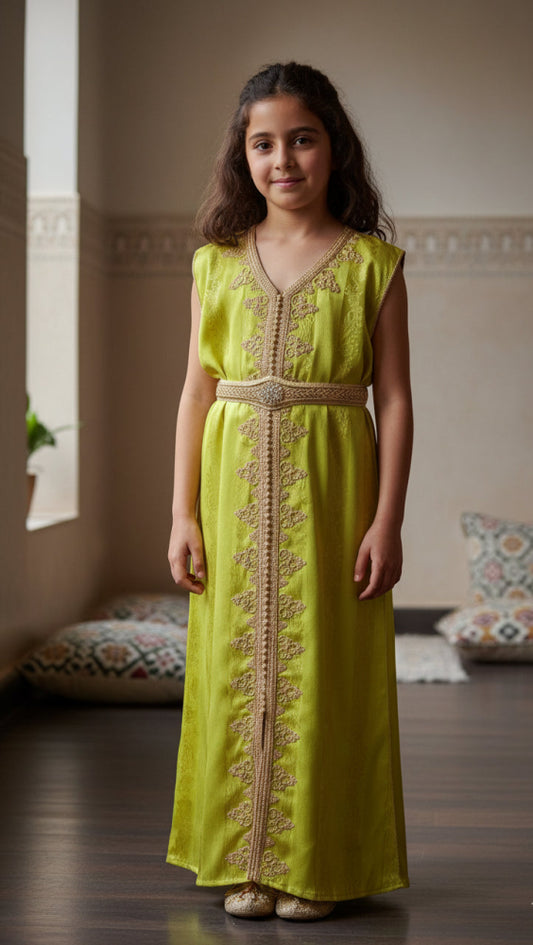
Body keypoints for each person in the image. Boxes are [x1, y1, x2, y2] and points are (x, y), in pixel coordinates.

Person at [167, 61, 413, 922]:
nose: (283, 159)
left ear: (332, 148)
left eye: (301, 139)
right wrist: (182, 514)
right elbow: (197, 392)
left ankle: (317, 862)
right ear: (244, 156)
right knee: (239, 663)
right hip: (232, 491)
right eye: (263, 143)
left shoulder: (374, 264)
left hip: (333, 485)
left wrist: (386, 520)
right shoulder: (213, 263)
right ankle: (246, 861)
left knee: (325, 665)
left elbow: (396, 397)